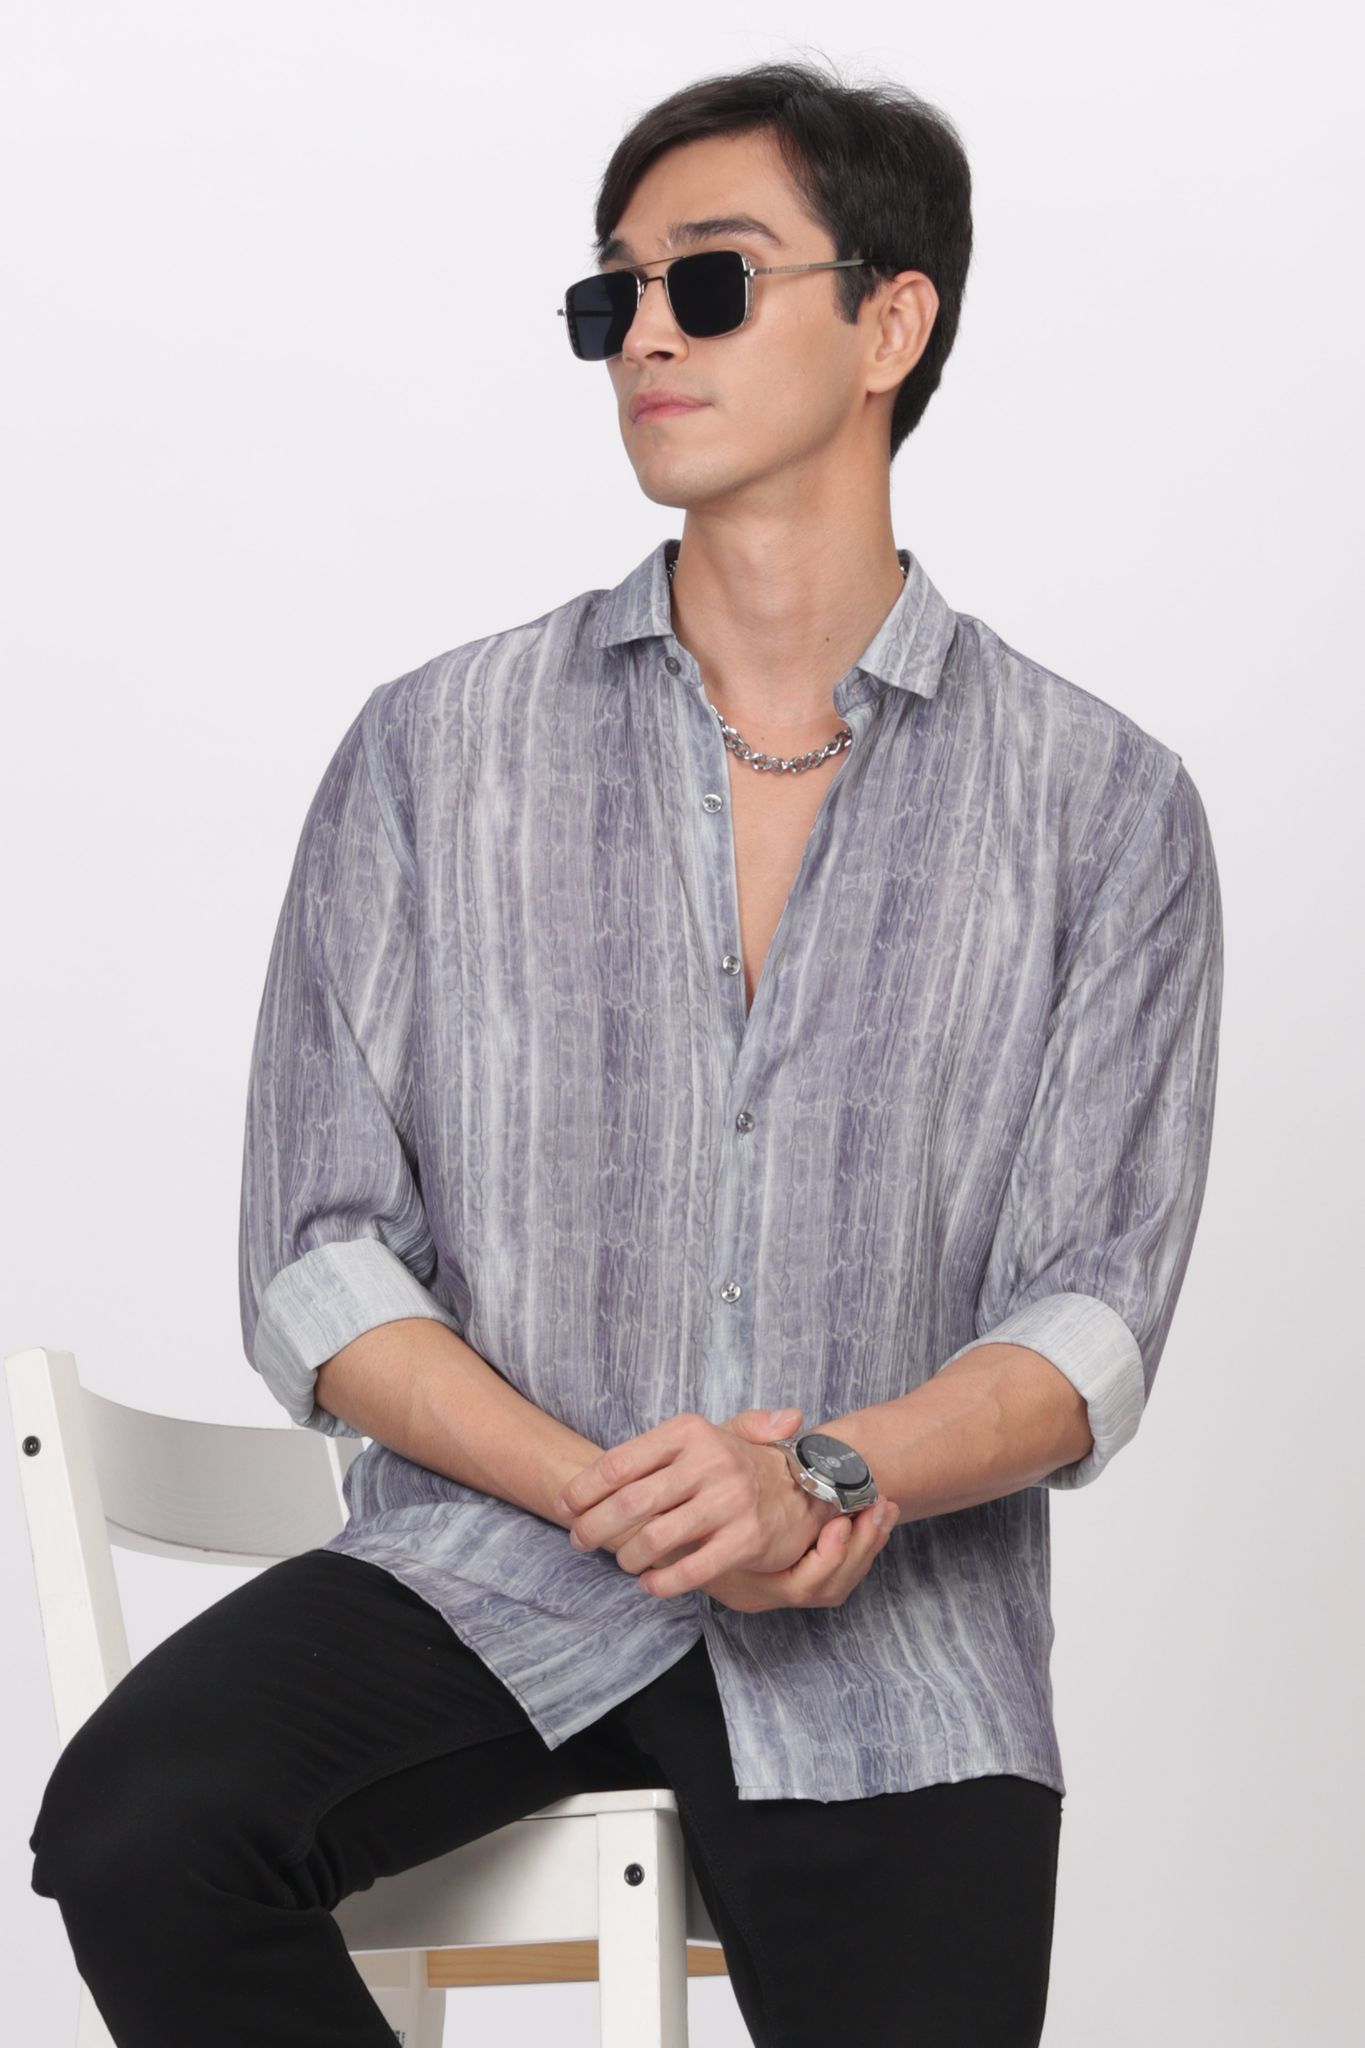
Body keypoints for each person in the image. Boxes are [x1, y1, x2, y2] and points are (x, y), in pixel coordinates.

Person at [27, 56, 1223, 2048]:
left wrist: (818, 1474)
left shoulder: (1100, 803)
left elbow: (1088, 1317)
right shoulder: (433, 751)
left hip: (894, 1646)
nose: (646, 335)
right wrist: (621, 1491)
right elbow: (318, 1258)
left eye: (712, 280)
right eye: (615, 296)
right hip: (487, 1574)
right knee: (144, 1826)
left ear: (889, 325)